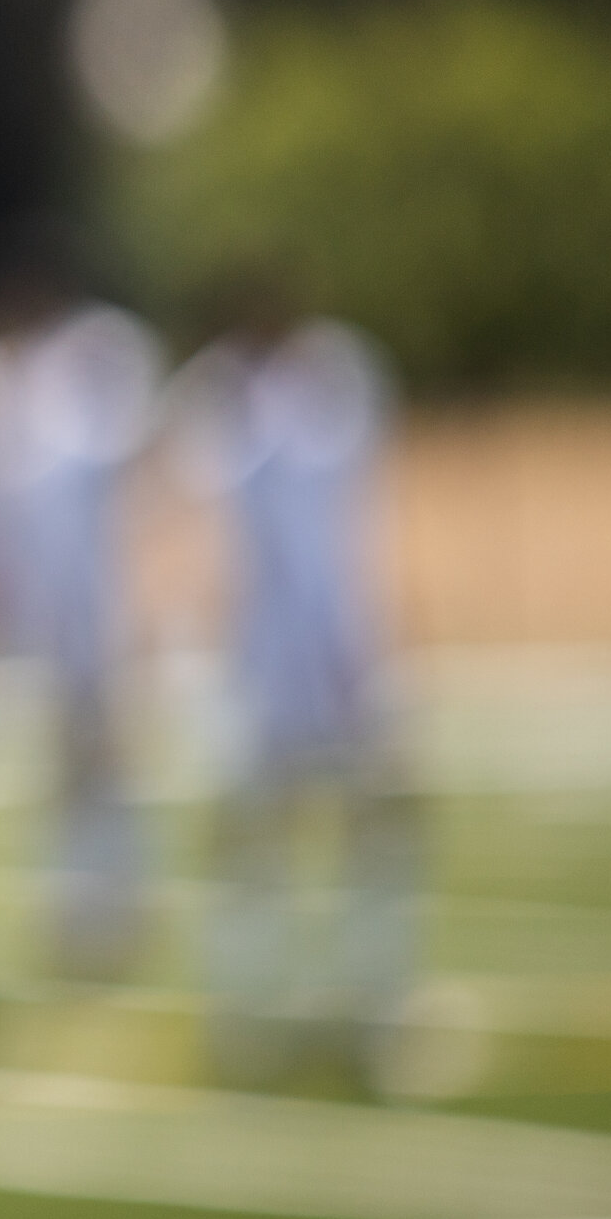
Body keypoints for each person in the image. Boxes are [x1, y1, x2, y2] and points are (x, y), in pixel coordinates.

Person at [166, 296, 415, 1086]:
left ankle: (353, 1001)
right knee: (261, 843)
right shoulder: (237, 414)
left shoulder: (316, 403)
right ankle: (263, 1004)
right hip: (273, 661)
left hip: (320, 654)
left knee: (356, 834)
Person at [0, 254, 161, 979]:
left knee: (105, 760)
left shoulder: (83, 374)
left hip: (95, 608)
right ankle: (74, 910)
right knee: (57, 766)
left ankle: (116, 905)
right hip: (36, 618)